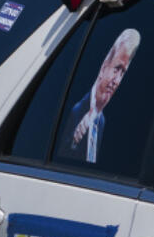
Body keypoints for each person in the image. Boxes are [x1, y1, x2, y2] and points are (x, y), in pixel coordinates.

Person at [60, 28, 140, 164]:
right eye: (116, 69)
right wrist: (73, 143)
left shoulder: (101, 121)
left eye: (122, 73)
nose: (117, 80)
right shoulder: (77, 111)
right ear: (104, 68)